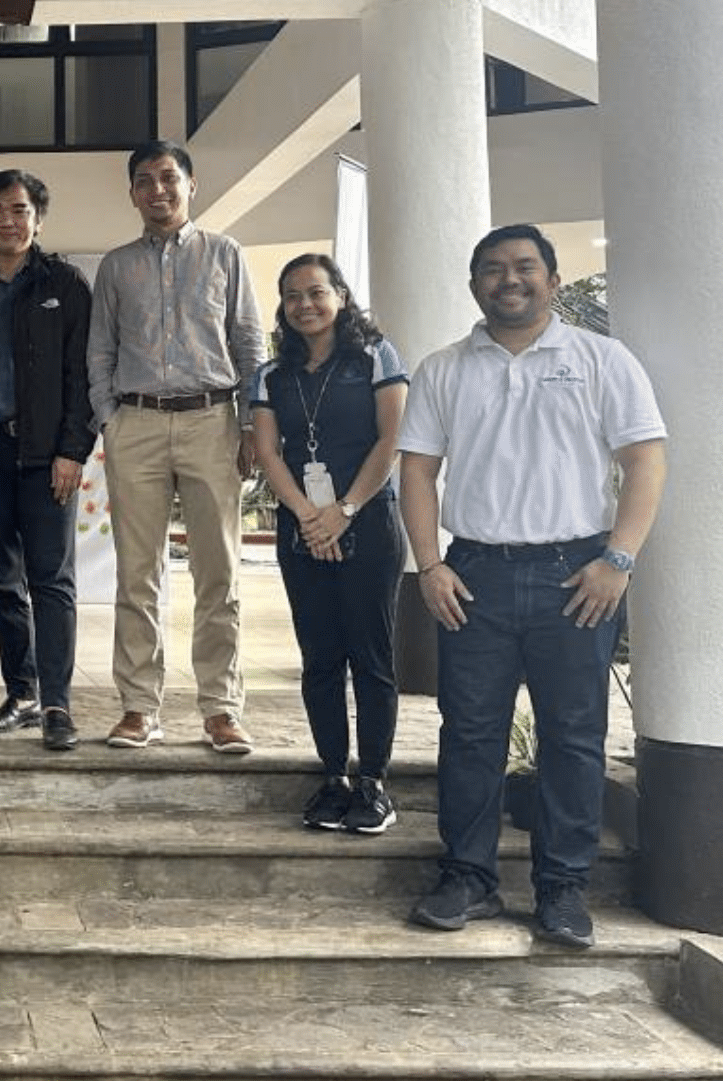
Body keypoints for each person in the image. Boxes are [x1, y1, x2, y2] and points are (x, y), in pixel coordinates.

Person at [401, 225, 666, 950]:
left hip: (576, 576)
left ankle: (563, 890)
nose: (508, 280)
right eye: (491, 269)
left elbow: (645, 459)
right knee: (470, 736)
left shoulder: (600, 359)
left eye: (523, 267)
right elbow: (417, 472)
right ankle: (467, 879)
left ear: (552, 279)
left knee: (574, 739)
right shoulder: (444, 369)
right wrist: (429, 564)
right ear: (474, 285)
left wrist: (620, 558)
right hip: (474, 576)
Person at [88, 140, 262, 754]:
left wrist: (250, 427)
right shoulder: (115, 266)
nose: (156, 190)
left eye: (168, 178)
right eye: (143, 180)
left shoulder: (226, 255)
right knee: (138, 576)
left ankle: (221, 710)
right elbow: (100, 350)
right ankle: (139, 707)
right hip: (135, 424)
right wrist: (110, 420)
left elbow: (249, 345)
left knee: (220, 574)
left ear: (192, 185)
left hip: (212, 422)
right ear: (132, 193)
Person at [249, 254, 407, 833]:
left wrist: (342, 511)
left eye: (316, 292)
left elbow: (392, 437)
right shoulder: (270, 374)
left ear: (340, 295)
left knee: (370, 655)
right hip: (300, 525)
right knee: (319, 658)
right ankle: (334, 777)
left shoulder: (375, 357)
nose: (304, 305)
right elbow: (268, 452)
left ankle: (374, 782)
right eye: (292, 296)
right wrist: (308, 517)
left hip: (366, 519)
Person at [0, 169, 94, 751]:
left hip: (46, 455)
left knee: (51, 579)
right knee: (3, 580)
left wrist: (71, 450)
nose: (9, 220)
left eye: (20, 210)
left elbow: (82, 375)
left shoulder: (66, 283)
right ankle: (22, 693)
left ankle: (57, 703)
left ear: (38, 218)